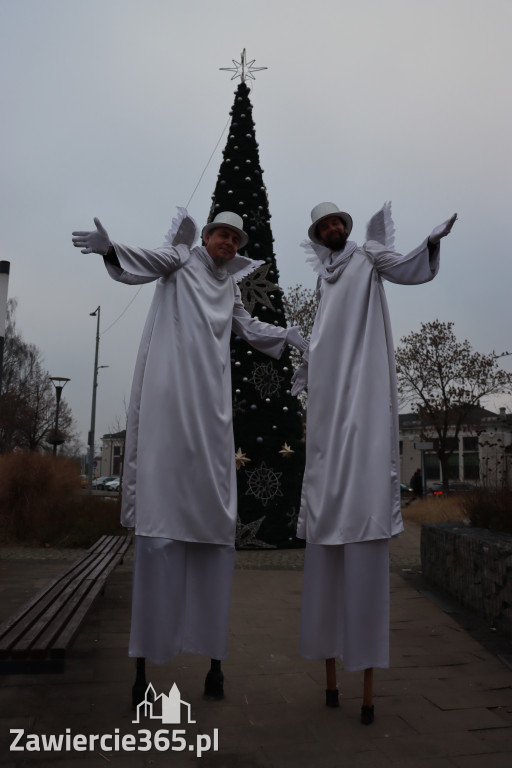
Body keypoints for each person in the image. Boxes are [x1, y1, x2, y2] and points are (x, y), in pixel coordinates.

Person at [72, 209, 307, 703]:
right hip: (172, 401)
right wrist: (111, 249)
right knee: (161, 527)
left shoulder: (230, 286)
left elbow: (247, 328)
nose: (228, 243)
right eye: (222, 234)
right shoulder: (181, 261)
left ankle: (212, 660)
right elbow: (147, 262)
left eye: (235, 238)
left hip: (212, 411)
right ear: (207, 236)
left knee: (213, 524)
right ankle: (145, 664)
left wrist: (285, 335)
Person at [291, 201, 456, 723]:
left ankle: (363, 675)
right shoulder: (323, 279)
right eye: (324, 227)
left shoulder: (367, 257)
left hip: (361, 388)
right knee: (325, 480)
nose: (332, 230)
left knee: (361, 478)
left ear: (345, 227)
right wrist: (308, 368)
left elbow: (404, 268)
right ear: (318, 236)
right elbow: (322, 334)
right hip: (328, 398)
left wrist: (429, 245)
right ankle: (330, 672)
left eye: (337, 223)